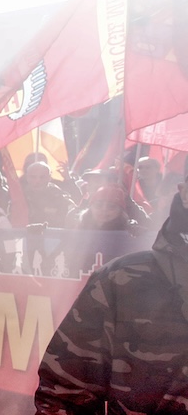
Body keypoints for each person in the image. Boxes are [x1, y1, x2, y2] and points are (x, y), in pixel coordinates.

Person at [34, 173, 188, 413]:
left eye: (111, 205)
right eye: (99, 204)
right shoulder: (120, 280)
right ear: (184, 192)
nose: (104, 210)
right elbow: (66, 394)